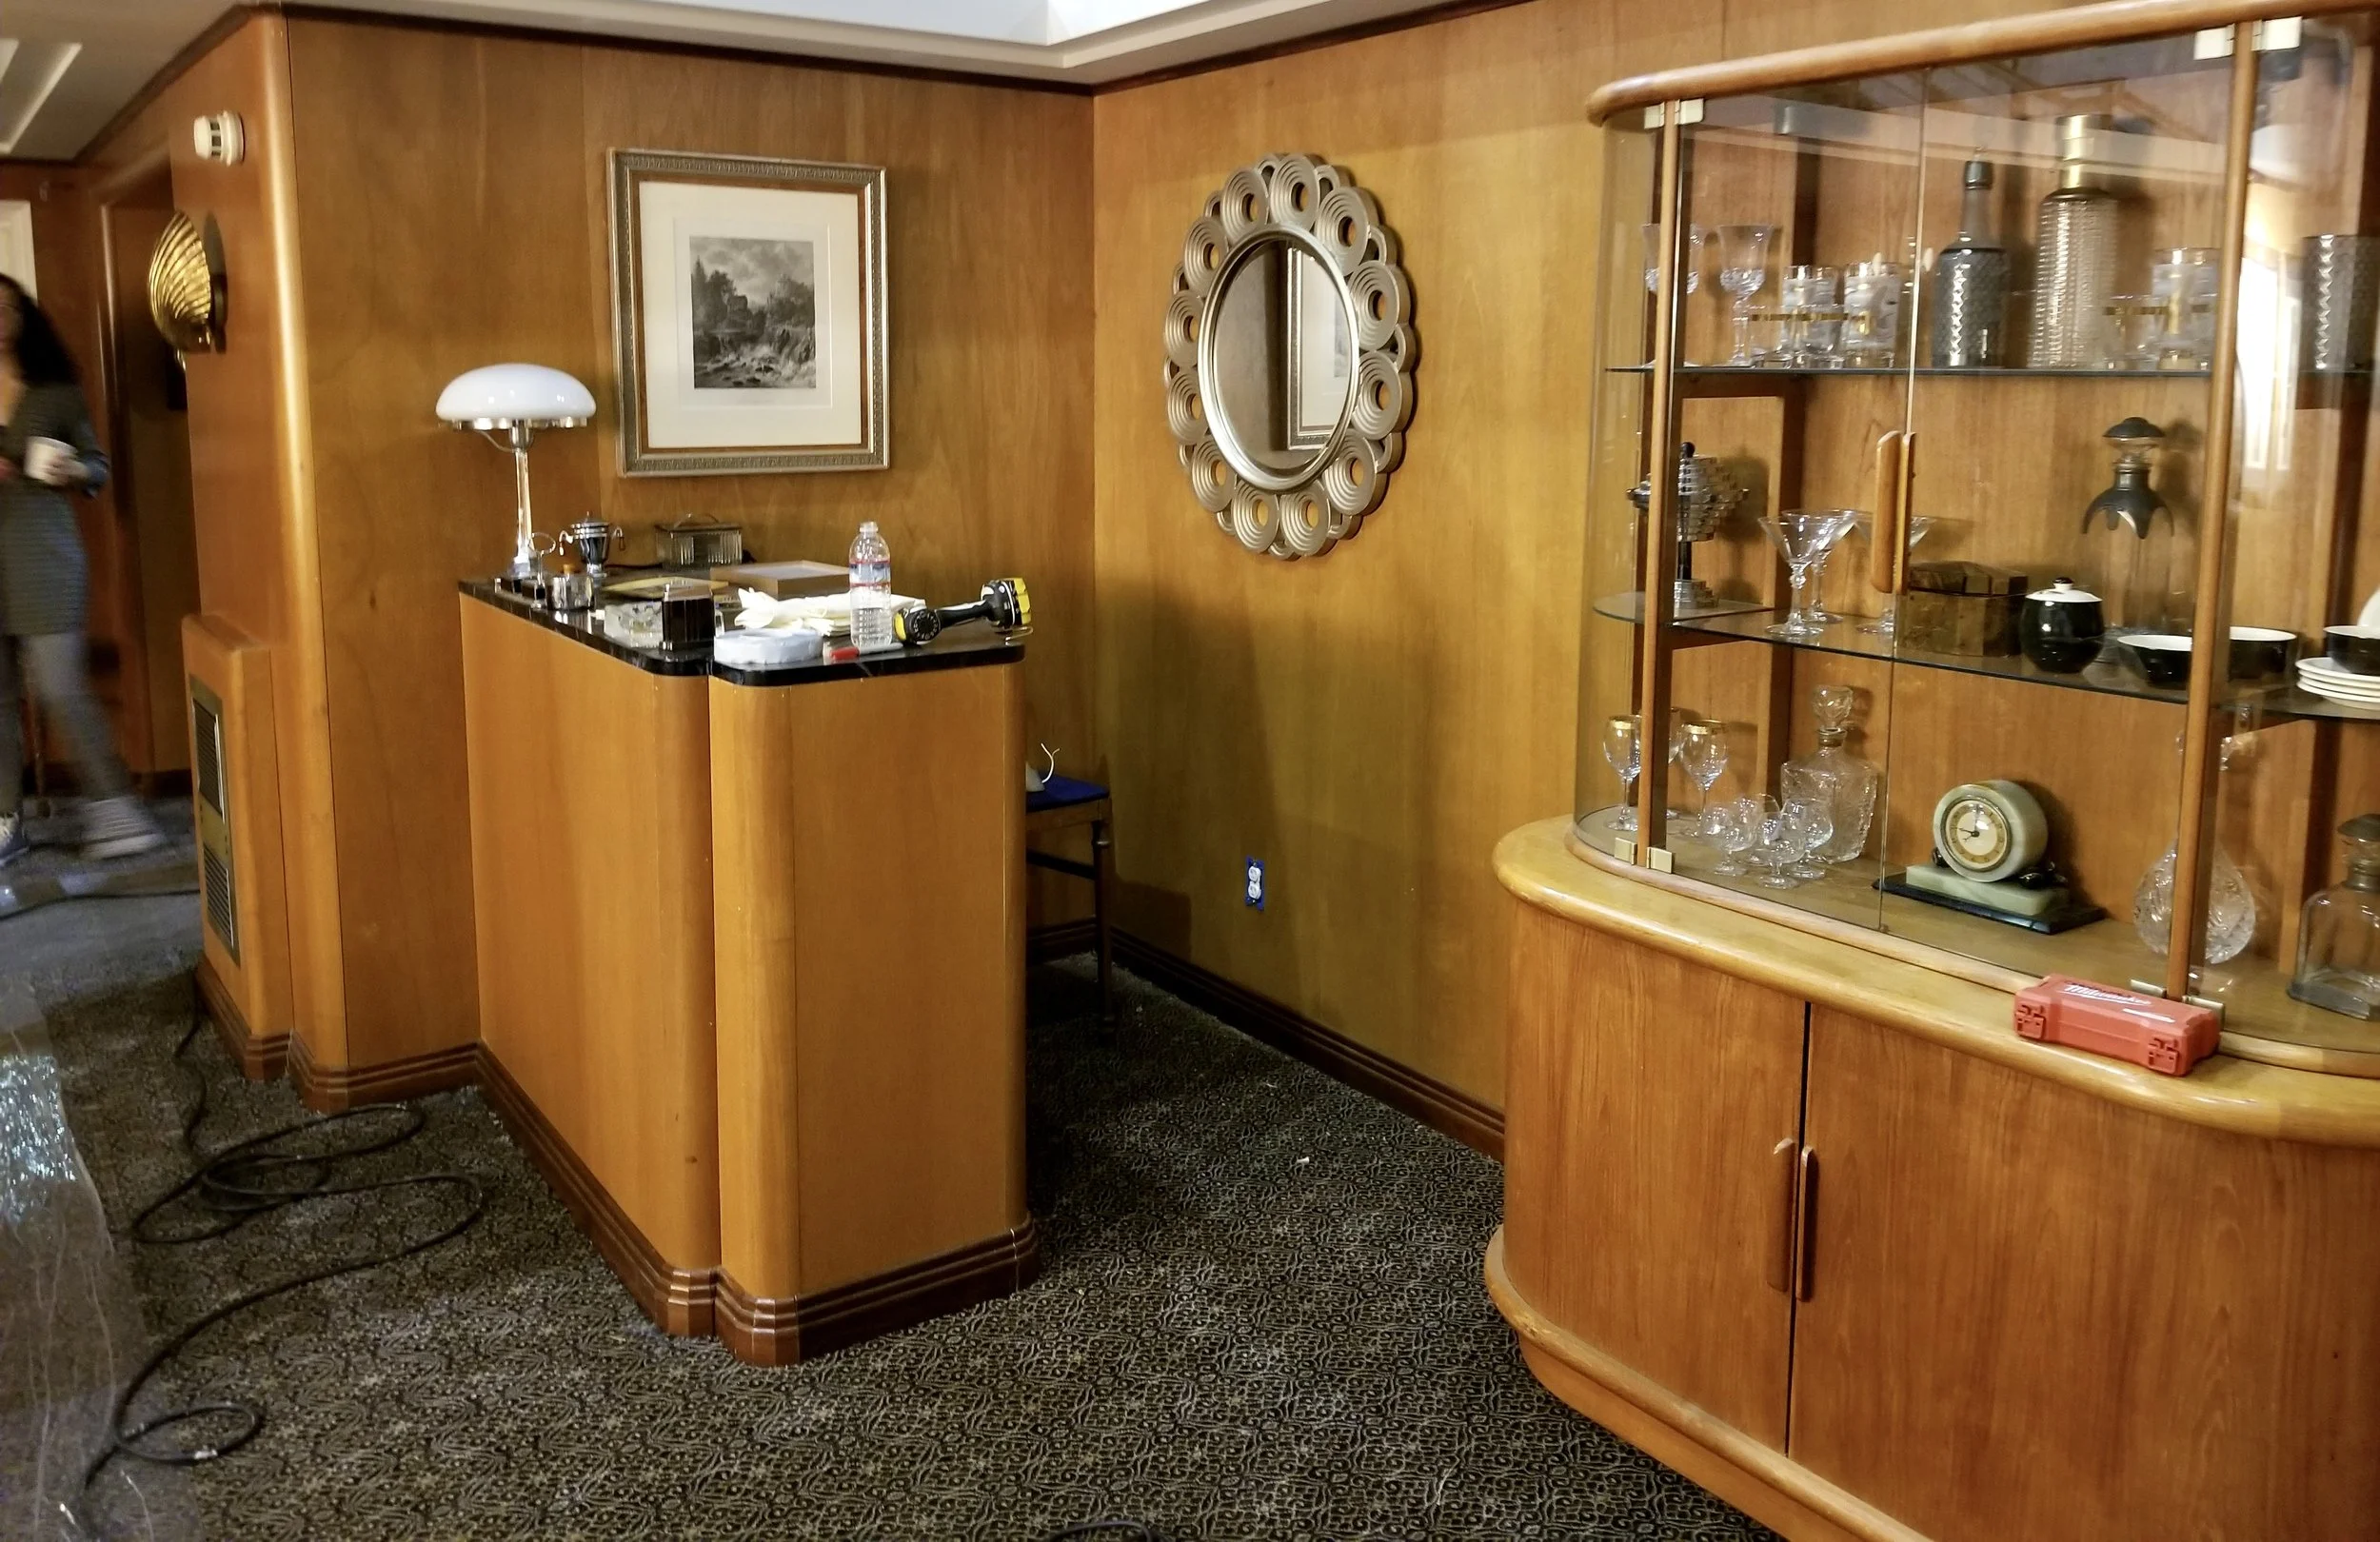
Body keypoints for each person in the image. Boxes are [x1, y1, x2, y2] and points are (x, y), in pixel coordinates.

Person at [0, 272, 164, 865]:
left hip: (45, 559)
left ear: (23, 317)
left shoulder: (56, 393)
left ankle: (119, 814)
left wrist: (72, 469)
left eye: (7, 307)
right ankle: (6, 821)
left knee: (60, 687)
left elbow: (98, 466)